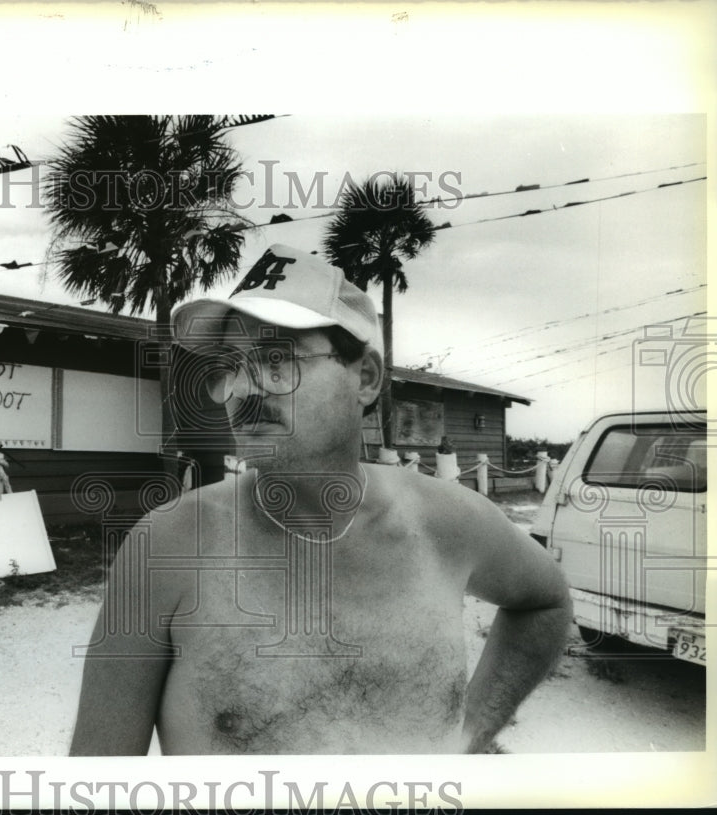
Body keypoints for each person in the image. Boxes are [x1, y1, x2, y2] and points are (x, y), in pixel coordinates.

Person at [70, 244, 572, 755]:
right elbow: (93, 784)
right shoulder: (169, 547)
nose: (243, 390)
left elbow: (546, 601)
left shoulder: (447, 522)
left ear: (366, 378)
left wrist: (470, 736)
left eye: (276, 359)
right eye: (231, 366)